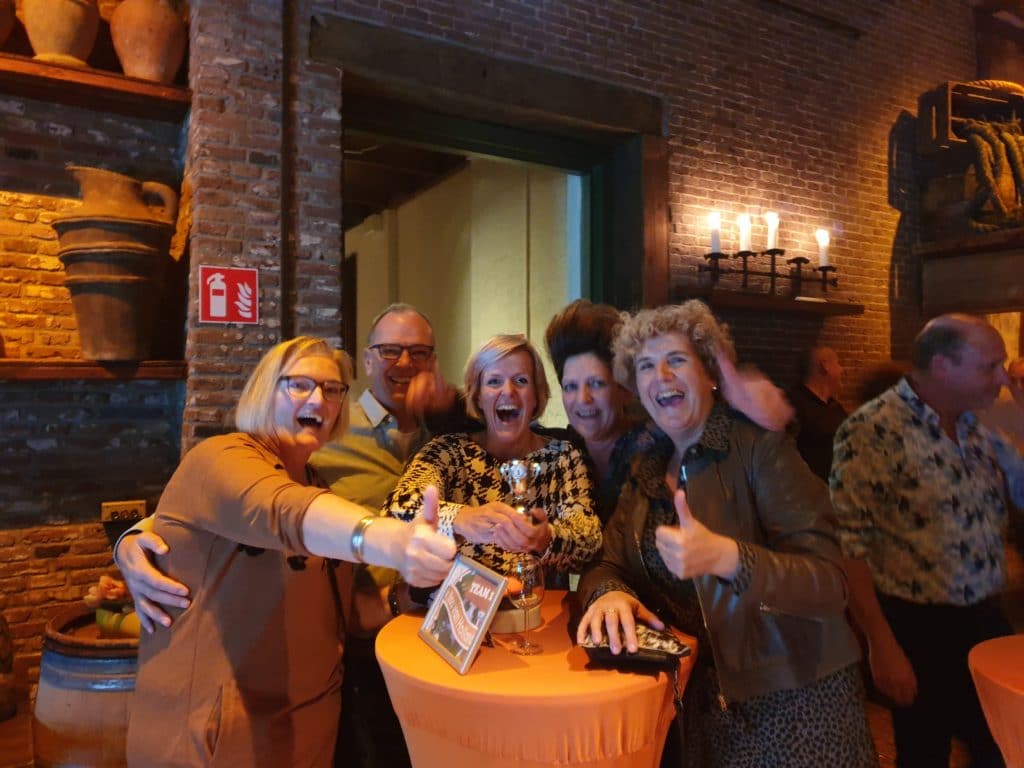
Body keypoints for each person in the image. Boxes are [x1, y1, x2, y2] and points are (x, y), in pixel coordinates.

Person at [116, 303, 465, 768]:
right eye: (299, 384)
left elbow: (346, 611)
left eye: (331, 389)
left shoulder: (320, 481)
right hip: (216, 736)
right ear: (265, 391)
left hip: (313, 729)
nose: (318, 400)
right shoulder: (223, 457)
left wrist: (416, 594)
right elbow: (280, 509)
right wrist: (391, 540)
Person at [576, 301, 875, 768]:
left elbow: (829, 583)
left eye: (676, 360)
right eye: (646, 366)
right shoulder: (648, 465)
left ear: (711, 374)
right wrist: (608, 593)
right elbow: (607, 562)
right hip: (703, 709)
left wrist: (729, 558)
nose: (661, 376)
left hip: (796, 705)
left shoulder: (759, 447)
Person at [831, 313, 1024, 768]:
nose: (1002, 378)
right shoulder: (873, 429)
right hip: (917, 626)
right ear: (942, 366)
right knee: (924, 751)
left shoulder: (977, 426)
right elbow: (849, 545)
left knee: (1001, 744)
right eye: (990, 366)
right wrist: (881, 644)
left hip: (986, 615)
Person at [545, 299, 796, 524]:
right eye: (570, 387)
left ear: (624, 389)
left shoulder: (656, 447)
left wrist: (762, 414)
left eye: (597, 383)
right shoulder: (559, 453)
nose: (583, 399)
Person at [385, 333, 602, 585]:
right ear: (478, 396)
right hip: (462, 604)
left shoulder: (563, 457)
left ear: (536, 396)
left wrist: (546, 537)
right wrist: (459, 518)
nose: (508, 391)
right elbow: (396, 510)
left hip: (540, 605)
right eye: (494, 381)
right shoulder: (447, 452)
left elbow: (589, 541)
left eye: (521, 381)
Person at [787, 345, 848, 481]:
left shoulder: (834, 407)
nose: (841, 369)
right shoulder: (794, 406)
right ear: (825, 366)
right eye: (837, 363)